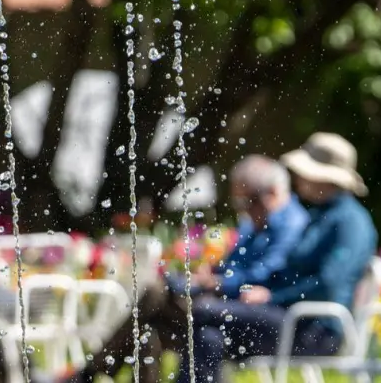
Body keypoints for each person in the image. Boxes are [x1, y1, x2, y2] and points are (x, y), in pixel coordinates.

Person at [72, 156, 309, 383]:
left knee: (156, 292)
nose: (243, 209)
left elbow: (265, 275)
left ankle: (90, 373)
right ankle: (92, 373)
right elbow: (232, 266)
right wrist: (210, 273)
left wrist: (216, 282)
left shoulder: (292, 225)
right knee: (154, 327)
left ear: (273, 193)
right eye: (239, 202)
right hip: (223, 307)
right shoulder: (254, 222)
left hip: (253, 315)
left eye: (249, 201)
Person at [177, 133, 377, 383]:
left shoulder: (350, 221)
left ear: (323, 177)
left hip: (316, 330)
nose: (297, 177)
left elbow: (328, 284)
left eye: (303, 172)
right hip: (290, 319)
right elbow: (289, 271)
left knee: (203, 310)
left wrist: (272, 296)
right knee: (208, 336)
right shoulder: (319, 216)